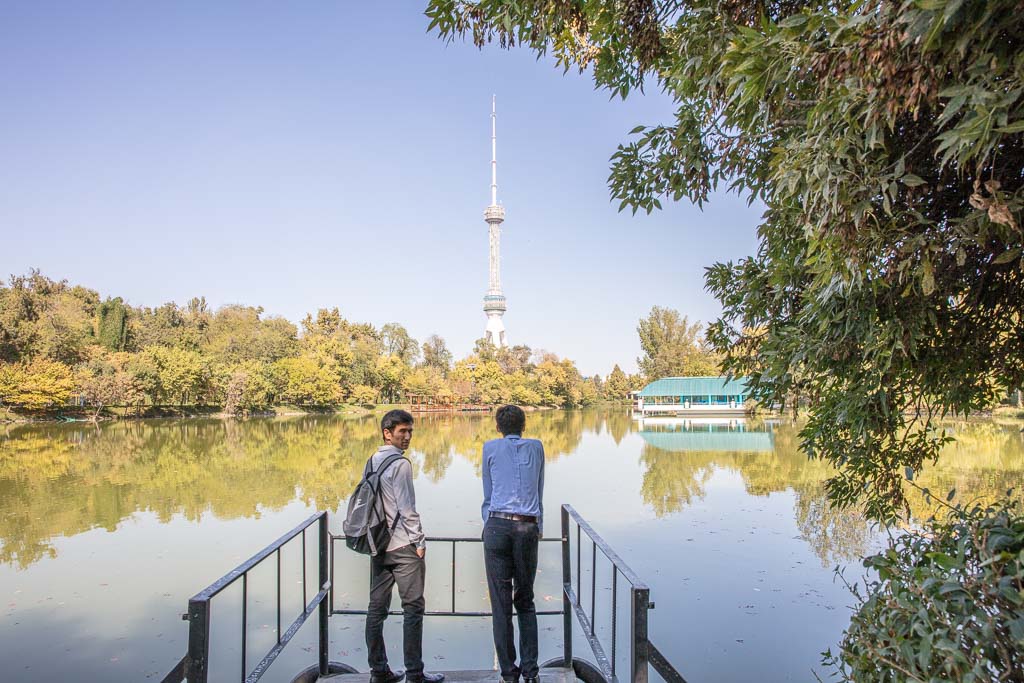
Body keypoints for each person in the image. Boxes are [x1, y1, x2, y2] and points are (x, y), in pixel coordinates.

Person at [365, 409, 444, 683]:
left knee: (376, 609)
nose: (408, 436)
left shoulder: (372, 461)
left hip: (378, 545)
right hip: (402, 546)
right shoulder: (400, 464)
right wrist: (419, 541)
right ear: (387, 433)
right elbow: (407, 508)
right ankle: (415, 674)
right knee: (413, 608)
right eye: (402, 431)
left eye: (410, 431)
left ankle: (379, 671)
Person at [481, 405, 545, 683]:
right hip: (526, 526)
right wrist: (538, 525)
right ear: (524, 425)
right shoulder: (537, 447)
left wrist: (488, 523)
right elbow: (540, 488)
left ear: (498, 427)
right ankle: (530, 673)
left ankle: (509, 674)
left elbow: (488, 491)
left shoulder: (489, 448)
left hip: (497, 525)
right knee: (526, 600)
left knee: (500, 604)